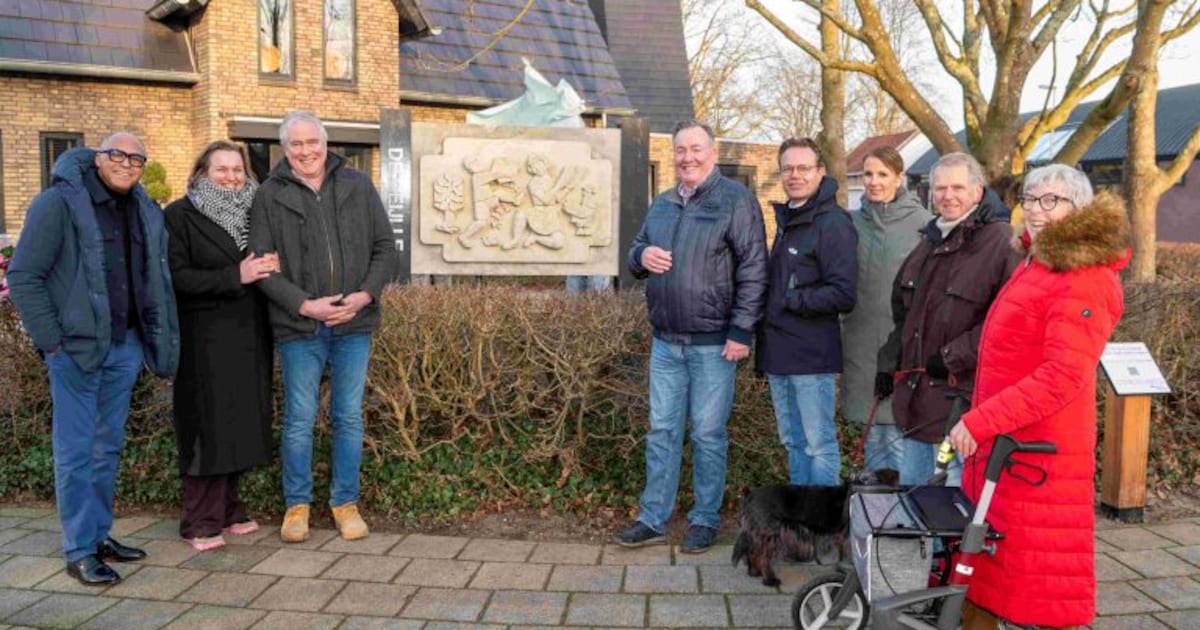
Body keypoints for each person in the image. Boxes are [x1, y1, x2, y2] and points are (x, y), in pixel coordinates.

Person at [949, 165, 1130, 629]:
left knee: (1040, 588)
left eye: (1052, 200)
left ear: (1080, 208)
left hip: (1038, 454)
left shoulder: (1084, 275)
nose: (1036, 210)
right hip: (1005, 448)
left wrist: (981, 420)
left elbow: (1062, 376)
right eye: (1030, 198)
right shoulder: (1038, 261)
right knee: (987, 572)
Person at [8, 133, 179, 585]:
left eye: (137, 158)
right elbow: (23, 275)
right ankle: (79, 549)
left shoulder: (142, 208)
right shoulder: (58, 204)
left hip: (124, 346)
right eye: (117, 154)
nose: (127, 164)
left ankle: (99, 536)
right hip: (75, 350)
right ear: (97, 158)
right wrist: (52, 341)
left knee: (107, 447)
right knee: (77, 451)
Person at [614, 120, 767, 553]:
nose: (688, 157)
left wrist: (741, 330)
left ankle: (704, 519)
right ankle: (653, 518)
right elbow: (634, 253)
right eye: (681, 150)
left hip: (713, 345)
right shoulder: (663, 203)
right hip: (665, 342)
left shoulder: (736, 200)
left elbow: (755, 268)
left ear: (712, 153)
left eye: (696, 149)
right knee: (661, 431)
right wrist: (641, 255)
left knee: (707, 435)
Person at [248, 111, 397, 543]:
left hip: (354, 323)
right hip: (300, 327)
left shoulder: (357, 184)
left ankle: (345, 503)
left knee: (348, 416)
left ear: (326, 143)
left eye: (312, 142)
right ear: (284, 149)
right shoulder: (269, 195)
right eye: (295, 144)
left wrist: (364, 295)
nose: (305, 150)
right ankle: (297, 506)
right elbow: (262, 267)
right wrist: (305, 305)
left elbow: (384, 248)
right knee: (299, 418)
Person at [877, 152, 1017, 486]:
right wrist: (889, 363)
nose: (947, 196)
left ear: (978, 192)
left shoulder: (1001, 242)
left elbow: (1008, 324)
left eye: (957, 187)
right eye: (940, 188)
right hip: (917, 401)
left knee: (954, 501)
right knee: (913, 497)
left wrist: (953, 356)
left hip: (964, 402)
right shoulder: (929, 241)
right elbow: (904, 315)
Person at [165, 141, 278, 551]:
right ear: (202, 173)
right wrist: (235, 276)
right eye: (221, 170)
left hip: (249, 334)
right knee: (207, 426)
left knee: (239, 423)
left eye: (236, 170)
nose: (231, 177)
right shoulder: (179, 215)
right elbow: (175, 276)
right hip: (204, 337)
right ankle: (199, 520)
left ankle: (228, 508)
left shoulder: (255, 211)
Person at [757, 137, 857, 486]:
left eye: (803, 168)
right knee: (793, 443)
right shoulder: (790, 218)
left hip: (811, 358)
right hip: (779, 353)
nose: (794, 175)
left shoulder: (833, 223)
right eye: (787, 169)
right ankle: (800, 515)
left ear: (820, 171)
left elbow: (843, 294)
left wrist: (790, 298)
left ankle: (822, 517)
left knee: (818, 446)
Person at [840, 147, 929, 476]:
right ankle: (877, 503)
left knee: (901, 434)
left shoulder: (924, 225)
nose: (874, 181)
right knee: (872, 432)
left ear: (899, 177)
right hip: (860, 342)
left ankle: (907, 503)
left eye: (883, 174)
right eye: (868, 174)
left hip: (902, 345)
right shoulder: (850, 223)